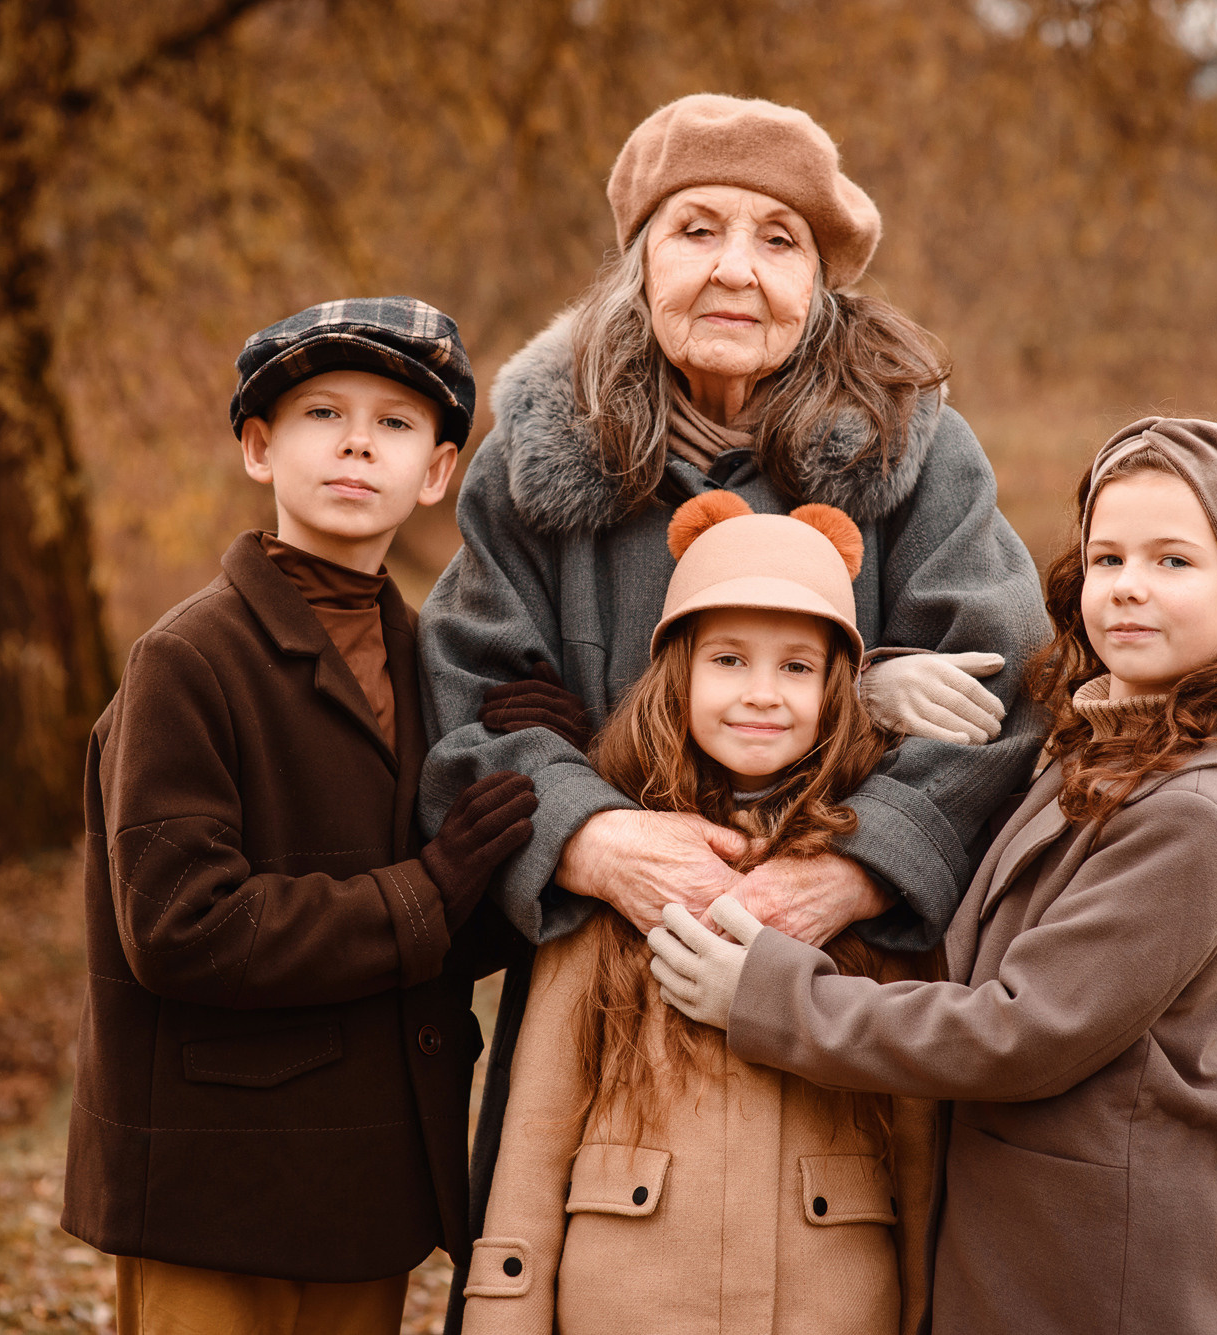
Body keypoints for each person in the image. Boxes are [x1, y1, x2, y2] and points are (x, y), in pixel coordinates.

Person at [417, 97, 1052, 1323]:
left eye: (778, 240)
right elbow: (468, 708)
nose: (733, 270)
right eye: (695, 228)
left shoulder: (915, 448)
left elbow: (1010, 686)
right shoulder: (532, 459)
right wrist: (597, 839)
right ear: (638, 258)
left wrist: (854, 868)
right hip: (608, 994)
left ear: (818, 280)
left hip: (840, 999)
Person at [650, 417, 1217, 1335]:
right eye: (1107, 559)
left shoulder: (1189, 818)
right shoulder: (1112, 740)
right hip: (1022, 1235)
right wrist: (869, 688)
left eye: (1175, 562)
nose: (1129, 589)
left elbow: (1019, 1031)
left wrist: (774, 996)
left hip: (1101, 1268)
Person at [62, 298, 538, 1335]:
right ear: (258, 447)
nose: (359, 441)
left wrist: (542, 771)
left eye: (398, 422)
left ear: (437, 474)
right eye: (323, 412)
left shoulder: (434, 665)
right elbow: (181, 930)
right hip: (213, 1186)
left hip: (367, 1183)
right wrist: (424, 892)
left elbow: (446, 931)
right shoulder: (185, 661)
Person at [461, 493, 938, 1335]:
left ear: (838, 688)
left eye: (797, 667)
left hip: (831, 1298)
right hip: (627, 1297)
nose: (762, 694)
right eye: (728, 660)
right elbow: (537, 1126)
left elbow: (917, 1132)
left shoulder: (867, 878)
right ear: (678, 674)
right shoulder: (621, 861)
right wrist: (507, 1307)